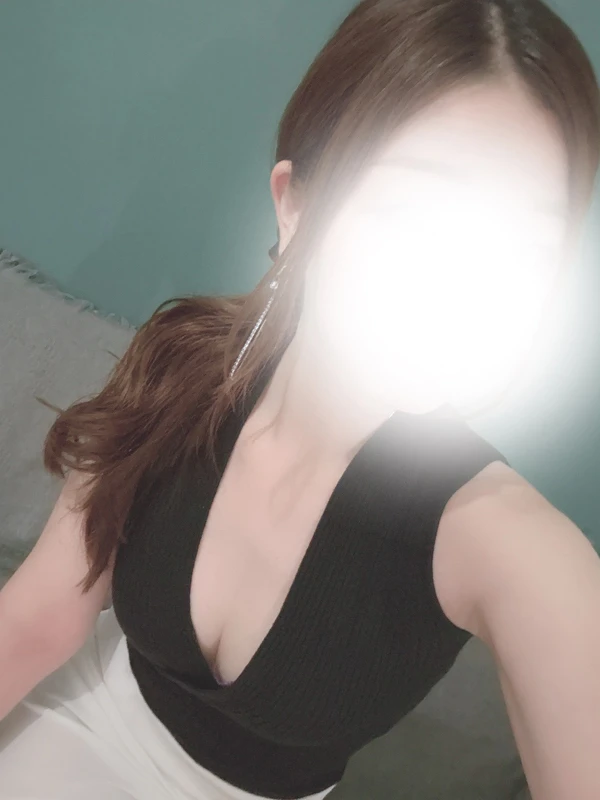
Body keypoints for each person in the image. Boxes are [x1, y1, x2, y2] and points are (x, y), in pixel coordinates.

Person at [1, 0, 600, 798]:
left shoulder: (509, 544)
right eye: (416, 211)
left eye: (525, 246)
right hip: (78, 723)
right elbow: (37, 620)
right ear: (296, 204)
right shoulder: (180, 366)